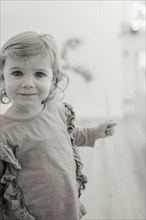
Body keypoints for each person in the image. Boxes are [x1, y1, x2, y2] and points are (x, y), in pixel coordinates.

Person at [0, 31, 116, 220]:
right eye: (17, 73)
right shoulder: (3, 132)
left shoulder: (58, 112)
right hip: (31, 213)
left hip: (64, 201)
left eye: (39, 74)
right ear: (3, 78)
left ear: (53, 80)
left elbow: (69, 137)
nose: (28, 83)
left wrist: (96, 132)